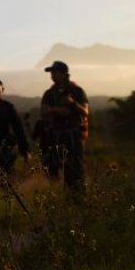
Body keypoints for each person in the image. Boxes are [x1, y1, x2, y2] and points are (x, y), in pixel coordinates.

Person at [40, 61, 89, 192]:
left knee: (76, 168)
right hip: (56, 136)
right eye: (52, 73)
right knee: (55, 168)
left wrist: (72, 104)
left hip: (74, 135)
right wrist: (57, 110)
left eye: (55, 72)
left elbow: (85, 111)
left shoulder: (77, 91)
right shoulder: (49, 93)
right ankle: (62, 197)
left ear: (64, 74)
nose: (53, 75)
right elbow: (43, 112)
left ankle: (78, 198)